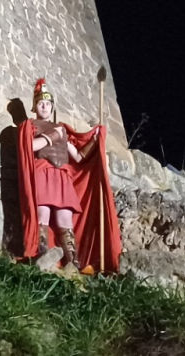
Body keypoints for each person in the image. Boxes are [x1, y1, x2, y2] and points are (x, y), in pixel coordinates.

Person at [15, 77, 121, 274]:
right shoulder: (31, 126)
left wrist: (95, 140)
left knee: (65, 219)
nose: (44, 106)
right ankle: (42, 256)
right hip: (42, 171)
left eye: (47, 103)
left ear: (52, 106)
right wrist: (54, 136)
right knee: (42, 215)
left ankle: (73, 263)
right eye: (40, 103)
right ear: (35, 106)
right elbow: (29, 147)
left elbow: (78, 158)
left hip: (62, 177)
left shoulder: (62, 129)